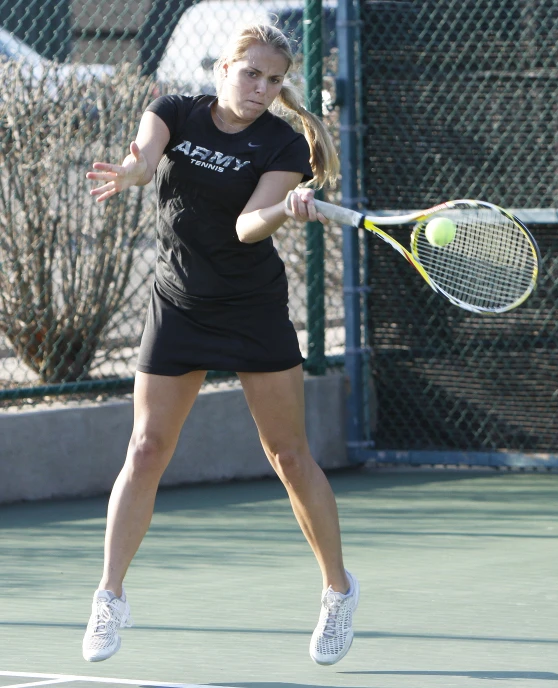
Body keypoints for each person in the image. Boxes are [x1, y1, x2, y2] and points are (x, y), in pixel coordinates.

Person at [82, 23, 359, 667]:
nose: (262, 88)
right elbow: (147, 160)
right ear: (223, 67)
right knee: (147, 448)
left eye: (274, 79)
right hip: (178, 304)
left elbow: (245, 227)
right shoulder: (176, 110)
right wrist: (131, 172)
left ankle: (338, 590)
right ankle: (109, 596)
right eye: (251, 73)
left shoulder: (283, 142)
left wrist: (286, 208)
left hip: (250, 310)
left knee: (289, 456)